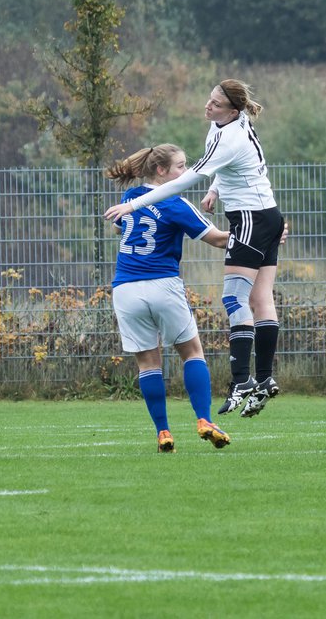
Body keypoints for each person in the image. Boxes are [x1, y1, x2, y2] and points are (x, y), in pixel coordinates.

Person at [104, 79, 285, 419]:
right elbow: (222, 165)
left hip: (249, 218)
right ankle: (263, 378)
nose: (208, 106)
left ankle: (241, 381)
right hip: (264, 215)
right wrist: (217, 190)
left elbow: (189, 180)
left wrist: (133, 206)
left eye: (215, 103)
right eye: (209, 99)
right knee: (261, 300)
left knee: (234, 299)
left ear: (233, 110)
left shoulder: (227, 138)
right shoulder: (228, 125)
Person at [106, 144, 233, 453]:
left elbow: (119, 228)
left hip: (125, 289)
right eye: (180, 167)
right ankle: (204, 420)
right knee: (192, 353)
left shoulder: (130, 199)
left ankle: (163, 432)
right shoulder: (176, 204)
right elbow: (216, 239)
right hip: (162, 284)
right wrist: (257, 236)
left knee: (148, 363)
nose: (185, 173)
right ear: (161, 171)